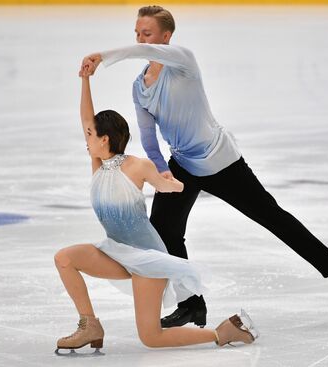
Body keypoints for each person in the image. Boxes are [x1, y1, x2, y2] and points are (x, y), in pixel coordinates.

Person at [80, 5, 328, 329]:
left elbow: (144, 52)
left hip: (222, 161)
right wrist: (161, 170)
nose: (141, 39)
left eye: (147, 34)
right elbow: (147, 134)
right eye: (137, 33)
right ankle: (191, 304)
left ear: (166, 37)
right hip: (182, 164)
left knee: (272, 216)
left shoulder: (182, 62)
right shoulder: (139, 86)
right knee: (165, 232)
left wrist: (104, 55)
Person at [52, 62, 258, 354]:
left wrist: (173, 183)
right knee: (64, 258)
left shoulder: (137, 166)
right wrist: (85, 80)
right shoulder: (98, 165)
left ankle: (223, 332)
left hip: (147, 257)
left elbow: (169, 187)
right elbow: (86, 116)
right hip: (115, 251)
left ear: (105, 139)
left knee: (151, 337)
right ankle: (90, 325)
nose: (86, 139)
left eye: (90, 135)